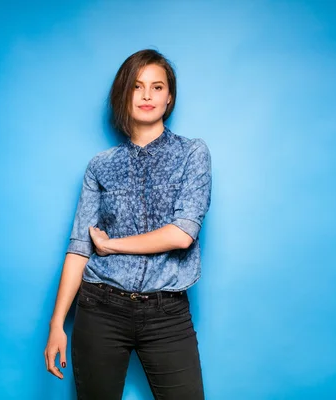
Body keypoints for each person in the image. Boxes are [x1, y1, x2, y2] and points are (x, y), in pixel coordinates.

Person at [44, 49, 212, 400]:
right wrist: (57, 323)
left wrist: (111, 245)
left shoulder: (192, 153)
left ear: (169, 97)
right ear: (124, 95)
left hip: (166, 312)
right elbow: (79, 247)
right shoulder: (99, 166)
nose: (147, 95)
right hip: (100, 309)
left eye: (157, 86)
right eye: (137, 87)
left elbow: (182, 234)